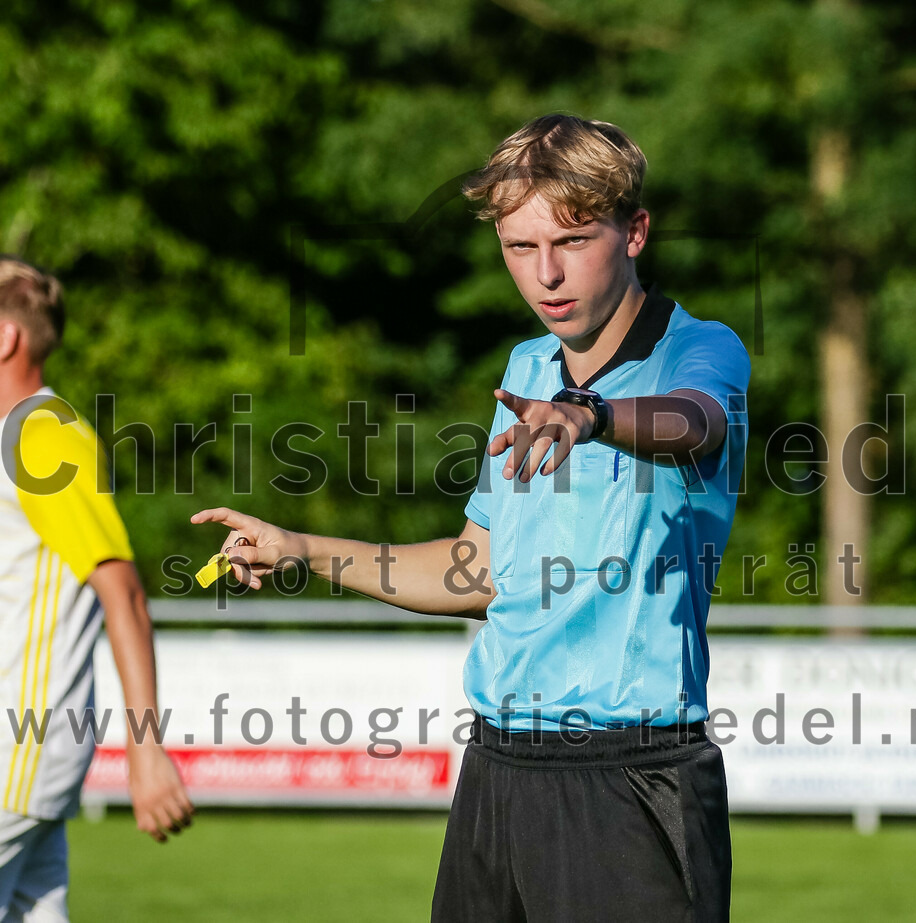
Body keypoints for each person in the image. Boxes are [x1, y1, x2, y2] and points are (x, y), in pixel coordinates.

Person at [192, 114, 750, 921]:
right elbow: (478, 570)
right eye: (521, 249)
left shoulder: (700, 350)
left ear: (635, 232)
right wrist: (304, 549)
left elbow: (698, 421)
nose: (546, 274)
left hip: (633, 775)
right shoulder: (526, 369)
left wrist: (587, 414)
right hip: (496, 773)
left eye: (573, 240)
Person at [0, 258, 193, 921]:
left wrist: (145, 748)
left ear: (5, 338)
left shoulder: (42, 436)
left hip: (15, 754)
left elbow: (124, 592)